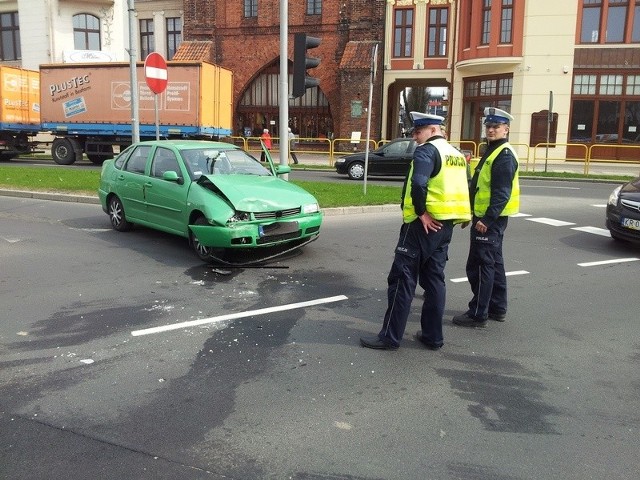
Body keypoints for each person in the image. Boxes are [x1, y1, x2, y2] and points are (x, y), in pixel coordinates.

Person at [360, 112, 471, 351]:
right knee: (434, 281)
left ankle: (389, 337)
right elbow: (466, 185)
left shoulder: (427, 151)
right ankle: (433, 337)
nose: (414, 137)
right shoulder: (457, 154)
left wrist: (421, 211)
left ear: (432, 130)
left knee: (401, 280)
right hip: (446, 226)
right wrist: (465, 214)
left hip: (422, 226)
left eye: (417, 132)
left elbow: (419, 183)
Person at [452, 107, 520, 328]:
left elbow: (501, 193)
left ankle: (478, 313)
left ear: (506, 129)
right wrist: (469, 214)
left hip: (490, 221)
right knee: (494, 264)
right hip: (486, 218)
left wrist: (486, 219)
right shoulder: (493, 150)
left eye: (496, 127)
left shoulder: (504, 155)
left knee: (480, 266)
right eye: (489, 126)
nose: (491, 130)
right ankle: (497, 307)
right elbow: (479, 187)